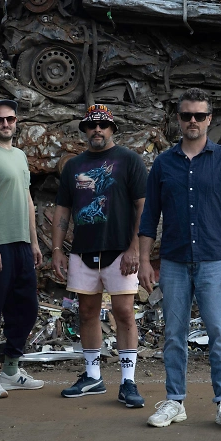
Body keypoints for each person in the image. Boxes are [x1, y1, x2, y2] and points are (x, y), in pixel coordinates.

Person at [139, 87, 221, 430]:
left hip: (215, 262)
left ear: (209, 119)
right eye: (187, 115)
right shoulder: (163, 163)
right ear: (178, 119)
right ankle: (175, 401)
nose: (193, 121)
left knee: (220, 333)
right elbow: (149, 217)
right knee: (174, 334)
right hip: (173, 262)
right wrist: (144, 261)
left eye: (200, 115)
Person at [51, 104, 147, 408]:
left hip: (120, 249)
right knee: (87, 312)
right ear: (84, 130)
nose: (97, 129)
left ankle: (128, 381)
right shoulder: (73, 166)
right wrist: (57, 250)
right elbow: (63, 210)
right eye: (91, 125)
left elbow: (143, 207)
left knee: (124, 312)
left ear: (112, 129)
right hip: (83, 249)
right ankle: (93, 376)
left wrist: (135, 248)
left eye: (103, 125)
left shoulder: (129, 160)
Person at [0, 99, 44, 399]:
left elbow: (27, 199)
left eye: (11, 119)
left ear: (16, 122)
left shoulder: (19, 155)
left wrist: (34, 242)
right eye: (0, 119)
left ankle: (11, 370)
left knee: (26, 308)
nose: (6, 124)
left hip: (21, 244)